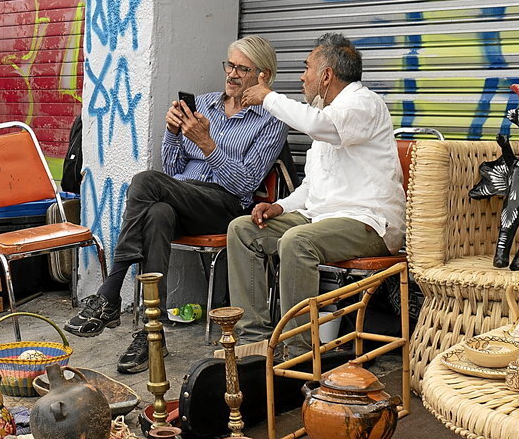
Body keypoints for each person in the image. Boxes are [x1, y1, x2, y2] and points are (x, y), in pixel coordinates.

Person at [64, 35, 288, 374]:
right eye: (230, 65)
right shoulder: (205, 104)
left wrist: (207, 144)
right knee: (157, 213)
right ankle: (151, 335)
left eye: (243, 69)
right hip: (183, 199)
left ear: (263, 76)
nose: (232, 74)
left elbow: (244, 184)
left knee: (145, 181)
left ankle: (110, 290)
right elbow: (173, 171)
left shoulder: (272, 120)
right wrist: (172, 133)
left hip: (224, 207)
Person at [231, 33, 405, 357]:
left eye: (306, 68)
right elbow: (313, 187)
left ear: (326, 75)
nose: (302, 76)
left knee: (297, 242)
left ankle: (298, 351)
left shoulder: (363, 104)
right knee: (243, 229)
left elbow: (320, 126)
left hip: (369, 222)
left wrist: (269, 97)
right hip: (322, 217)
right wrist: (279, 206)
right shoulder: (327, 113)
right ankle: (254, 340)